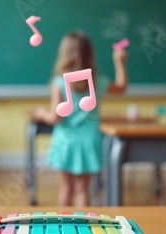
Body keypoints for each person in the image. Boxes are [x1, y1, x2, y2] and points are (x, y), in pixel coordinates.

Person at [32, 31, 128, 206]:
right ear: (90, 55)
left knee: (66, 188)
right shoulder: (98, 81)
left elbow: (54, 118)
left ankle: (63, 227)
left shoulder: (59, 82)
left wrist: (40, 113)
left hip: (64, 143)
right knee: (83, 190)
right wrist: (119, 62)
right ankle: (84, 228)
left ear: (64, 55)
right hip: (90, 142)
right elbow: (121, 88)